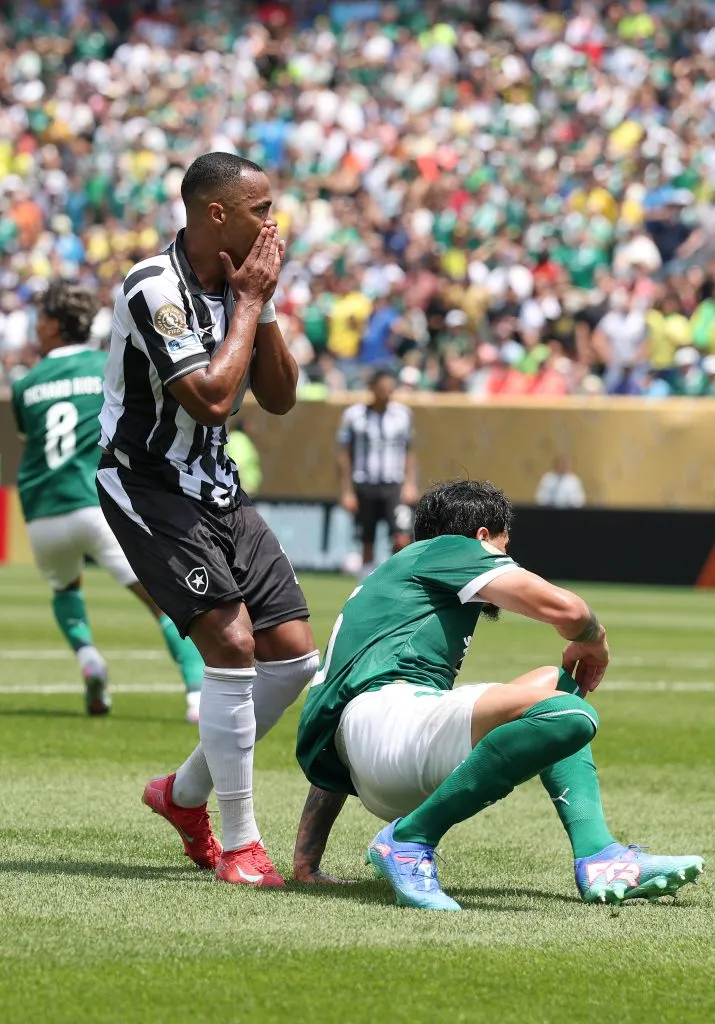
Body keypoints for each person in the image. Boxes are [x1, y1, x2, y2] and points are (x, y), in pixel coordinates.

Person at [294, 481, 703, 910]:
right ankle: (411, 840)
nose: (508, 560)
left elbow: (343, 722)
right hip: (391, 735)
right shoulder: (451, 548)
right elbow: (569, 612)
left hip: (375, 762)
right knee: (570, 714)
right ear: (483, 538)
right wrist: (595, 639)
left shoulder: (391, 587)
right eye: (505, 547)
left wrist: (307, 860)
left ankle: (599, 855)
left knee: (554, 682)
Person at [96, 153, 321, 888]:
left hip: (216, 483)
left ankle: (182, 796)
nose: (273, 222)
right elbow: (213, 401)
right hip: (147, 483)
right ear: (216, 214)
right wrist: (250, 302)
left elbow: (279, 399)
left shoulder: (242, 286)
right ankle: (241, 844)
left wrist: (268, 303)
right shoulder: (151, 288)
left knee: (292, 655)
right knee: (229, 642)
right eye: (260, 208)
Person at [10, 280, 205, 719]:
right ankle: (195, 693)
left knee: (64, 586)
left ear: (56, 325)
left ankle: (87, 658)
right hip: (97, 503)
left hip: (41, 512)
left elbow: (31, 436)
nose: (35, 326)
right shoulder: (107, 365)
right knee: (161, 600)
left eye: (40, 319)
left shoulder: (25, 384)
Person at [337, 369, 419, 578]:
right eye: (383, 389)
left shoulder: (402, 414)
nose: (387, 394)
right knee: (367, 540)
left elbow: (409, 451)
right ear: (372, 389)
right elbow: (344, 455)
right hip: (365, 484)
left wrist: (410, 483)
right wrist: (346, 491)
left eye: (391, 389)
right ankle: (365, 587)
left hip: (394, 485)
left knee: (402, 537)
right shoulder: (354, 415)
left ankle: (399, 579)